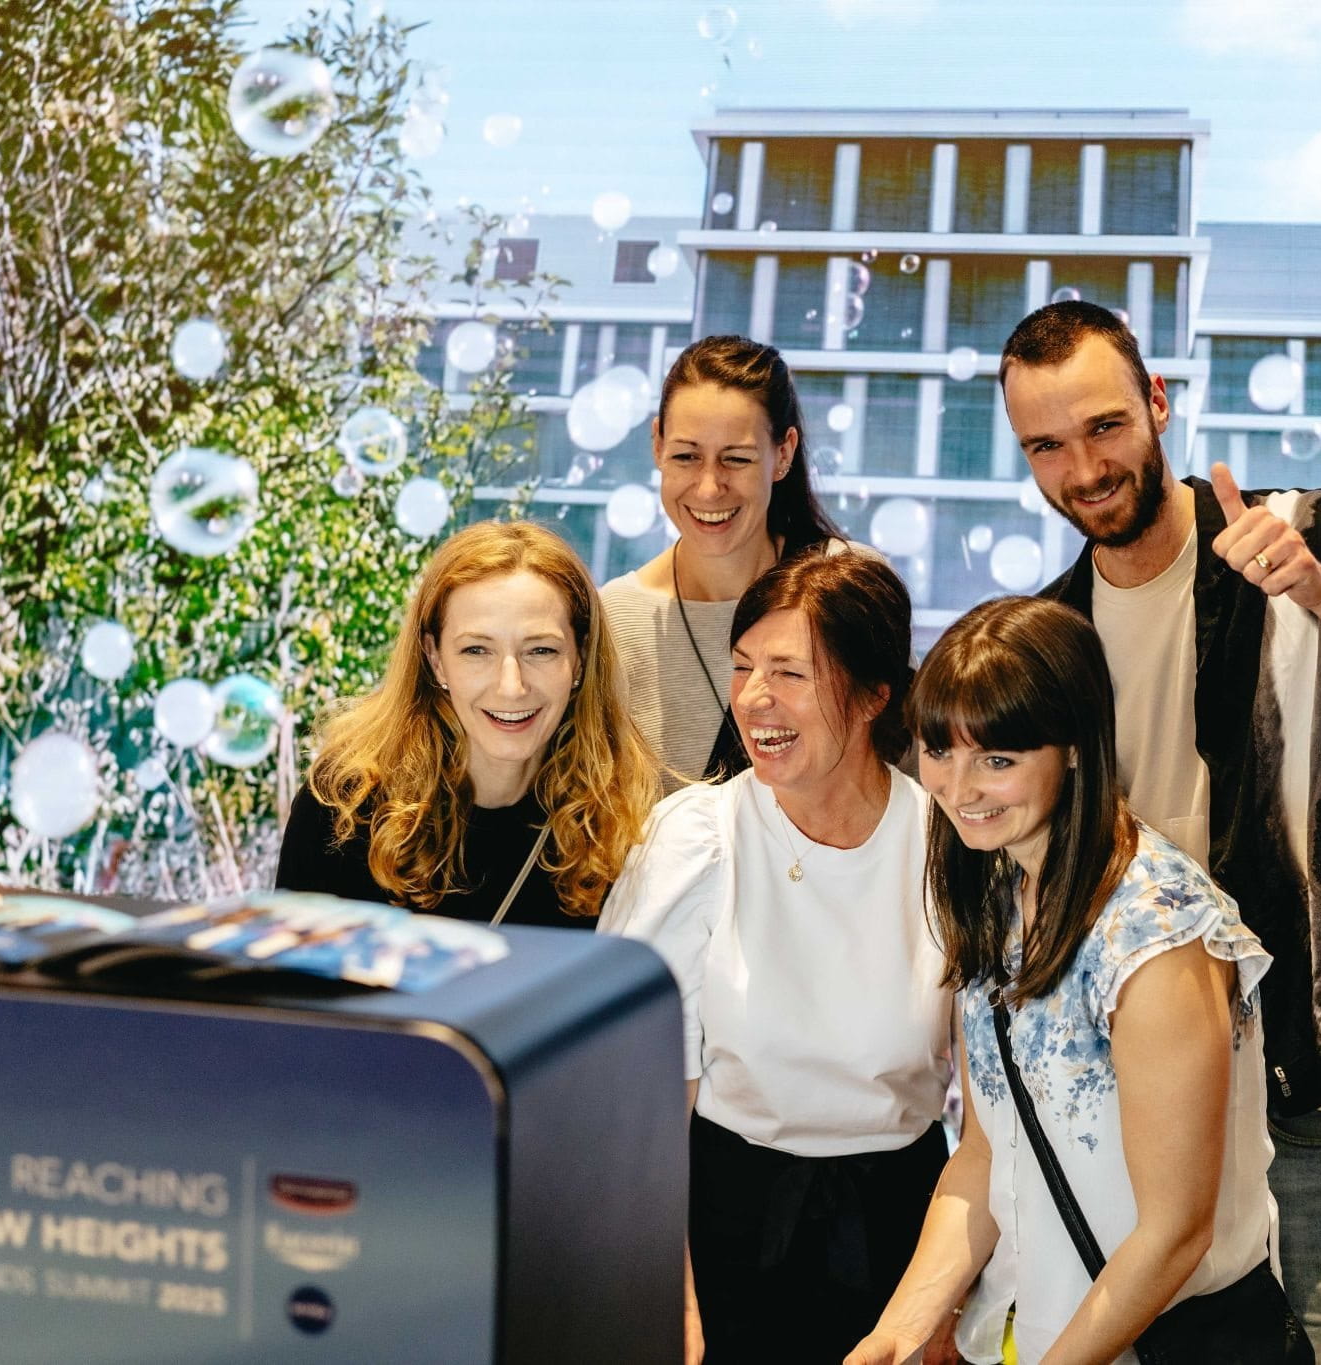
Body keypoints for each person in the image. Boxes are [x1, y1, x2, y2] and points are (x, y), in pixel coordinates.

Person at [999, 300, 1321, 1363]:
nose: (1081, 469)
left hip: (1305, 1089)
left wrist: (1320, 592)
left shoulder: (1296, 538)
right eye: (1045, 445)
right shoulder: (1048, 635)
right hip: (1137, 1106)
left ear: (1156, 402)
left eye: (1102, 427)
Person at [848, 596, 1306, 1365]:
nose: (958, 788)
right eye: (937, 750)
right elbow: (989, 1153)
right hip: (1030, 1327)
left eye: (997, 758)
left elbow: (1174, 1234)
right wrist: (899, 1327)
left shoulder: (1157, 931)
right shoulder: (996, 891)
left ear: (1072, 748)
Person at [599, 549, 952, 1365]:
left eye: (790, 672)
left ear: (874, 694)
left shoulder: (945, 845)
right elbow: (641, 1109)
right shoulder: (699, 839)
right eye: (744, 666)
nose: (756, 697)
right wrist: (670, 1301)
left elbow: (992, 1110)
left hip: (904, 1222)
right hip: (725, 1225)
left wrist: (947, 1294)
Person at [276, 519, 659, 928]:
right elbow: (287, 984)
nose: (511, 687)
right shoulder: (345, 805)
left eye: (541, 650)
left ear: (580, 658)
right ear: (435, 657)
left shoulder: (622, 814)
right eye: (476, 650)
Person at [600, 334, 843, 787]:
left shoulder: (845, 586)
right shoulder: (615, 617)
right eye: (686, 456)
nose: (709, 488)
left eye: (736, 459)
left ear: (784, 453)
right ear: (657, 445)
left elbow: (908, 780)